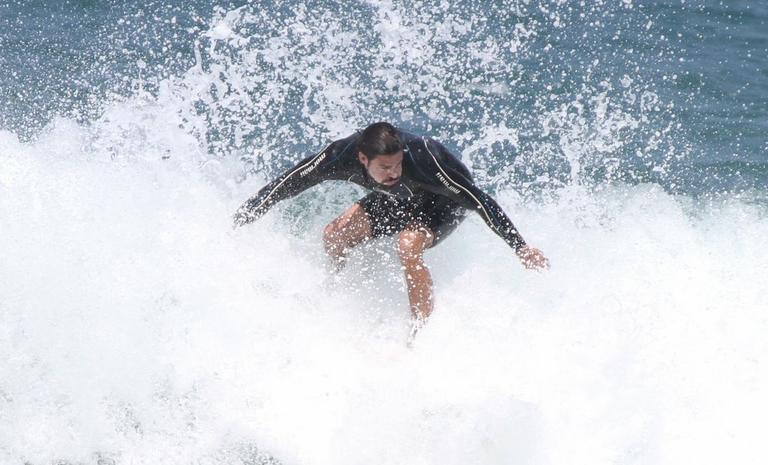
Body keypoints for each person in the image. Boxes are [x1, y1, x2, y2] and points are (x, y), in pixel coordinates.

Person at [234, 122, 548, 338]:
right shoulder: (339, 157)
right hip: (401, 201)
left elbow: (478, 200)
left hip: (442, 204)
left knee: (407, 245)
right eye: (385, 167)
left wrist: (520, 247)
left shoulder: (424, 161)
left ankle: (420, 333)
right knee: (334, 234)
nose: (394, 172)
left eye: (397, 164)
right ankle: (337, 294)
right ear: (362, 158)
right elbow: (292, 180)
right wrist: (247, 214)